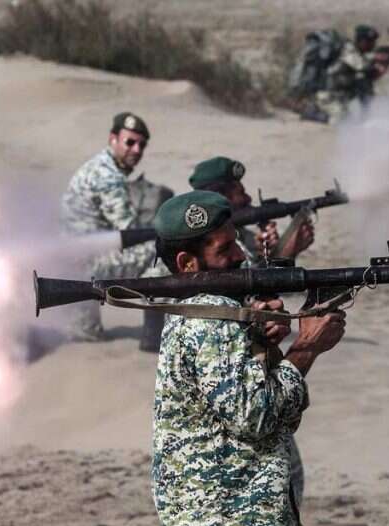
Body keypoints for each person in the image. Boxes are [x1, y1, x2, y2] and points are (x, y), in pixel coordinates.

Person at [145, 191, 389, 526]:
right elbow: (256, 413)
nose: (241, 257)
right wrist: (306, 347)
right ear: (187, 263)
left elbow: (243, 405)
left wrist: (265, 345)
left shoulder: (225, 317)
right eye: (225, 250)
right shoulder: (205, 317)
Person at [187, 155, 316, 504]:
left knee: (288, 487)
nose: (245, 197)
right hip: (242, 404)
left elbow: (253, 294)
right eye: (237, 190)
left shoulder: (238, 243)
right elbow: (221, 304)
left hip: (259, 381)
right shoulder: (200, 255)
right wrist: (306, 347)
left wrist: (281, 254)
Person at [61, 111, 166, 343]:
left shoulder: (97, 166)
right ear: (113, 139)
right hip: (86, 264)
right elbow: (128, 230)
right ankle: (155, 338)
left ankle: (84, 327)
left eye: (142, 145)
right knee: (162, 254)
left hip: (73, 262)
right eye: (130, 142)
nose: (137, 150)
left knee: (85, 336)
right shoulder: (107, 176)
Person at [187, 155, 315, 265]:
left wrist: (277, 252)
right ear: (222, 199)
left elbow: (261, 275)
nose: (248, 198)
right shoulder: (203, 242)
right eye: (241, 193)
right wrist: (285, 254)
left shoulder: (245, 236)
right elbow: (244, 288)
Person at [311, 25, 389, 124]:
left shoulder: (360, 53)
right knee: (343, 121)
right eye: (370, 42)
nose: (373, 45)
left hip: (343, 93)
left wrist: (386, 64)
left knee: (364, 82)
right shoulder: (348, 50)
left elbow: (372, 76)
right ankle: (313, 114)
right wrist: (379, 59)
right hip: (328, 96)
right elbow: (364, 67)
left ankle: (366, 115)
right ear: (362, 41)